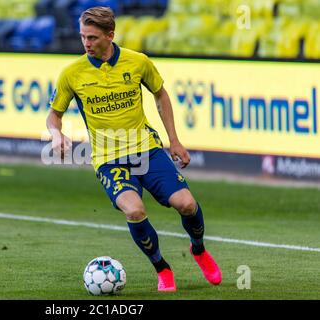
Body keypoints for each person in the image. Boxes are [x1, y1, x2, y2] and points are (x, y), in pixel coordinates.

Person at [46, 6, 221, 291]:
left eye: (92, 37)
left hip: (147, 150)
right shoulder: (72, 73)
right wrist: (56, 134)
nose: (86, 43)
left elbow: (160, 94)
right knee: (135, 210)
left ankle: (198, 249)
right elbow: (54, 114)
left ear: (110, 35)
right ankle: (162, 269)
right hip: (108, 160)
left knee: (186, 204)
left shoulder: (137, 62)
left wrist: (174, 140)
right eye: (82, 37)